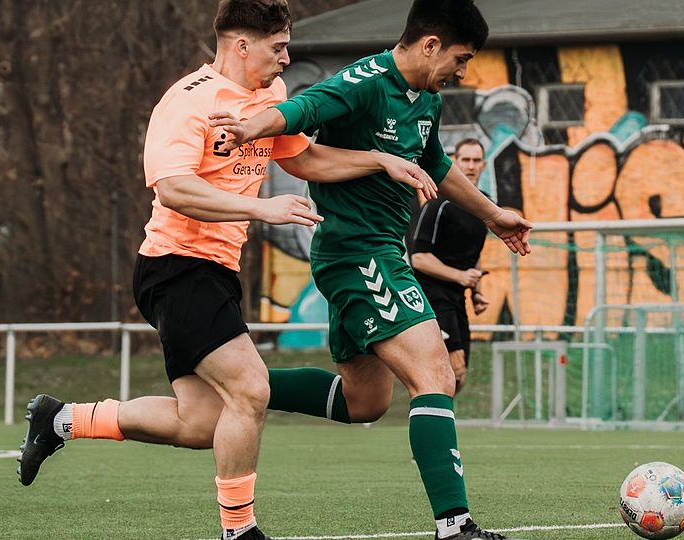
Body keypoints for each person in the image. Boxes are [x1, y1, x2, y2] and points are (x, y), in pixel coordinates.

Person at [14, 2, 437, 540]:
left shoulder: (269, 96)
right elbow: (174, 189)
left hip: (214, 271)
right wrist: (261, 209)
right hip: (175, 266)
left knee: (199, 423)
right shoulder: (188, 100)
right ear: (242, 45)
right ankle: (239, 530)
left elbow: (304, 160)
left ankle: (62, 419)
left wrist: (380, 160)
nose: (286, 59)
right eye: (277, 47)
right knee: (251, 389)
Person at [210, 2, 531, 538]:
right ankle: (455, 526)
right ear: (430, 44)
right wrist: (247, 129)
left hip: (373, 253)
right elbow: (299, 110)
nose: (462, 73)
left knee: (364, 401)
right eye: (461, 59)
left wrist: (493, 215)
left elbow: (436, 165)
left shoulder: (426, 99)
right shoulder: (364, 82)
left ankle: (242, 385)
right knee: (435, 375)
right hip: (358, 253)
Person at [409, 138, 491, 392]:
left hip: (458, 299)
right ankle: (429, 414)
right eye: (465, 160)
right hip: (433, 298)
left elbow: (472, 254)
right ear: (455, 162)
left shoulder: (484, 204)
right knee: (452, 371)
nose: (471, 166)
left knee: (459, 378)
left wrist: (476, 291)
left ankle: (436, 414)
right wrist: (460, 276)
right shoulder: (438, 203)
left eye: (476, 160)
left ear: (484, 165)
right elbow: (419, 258)